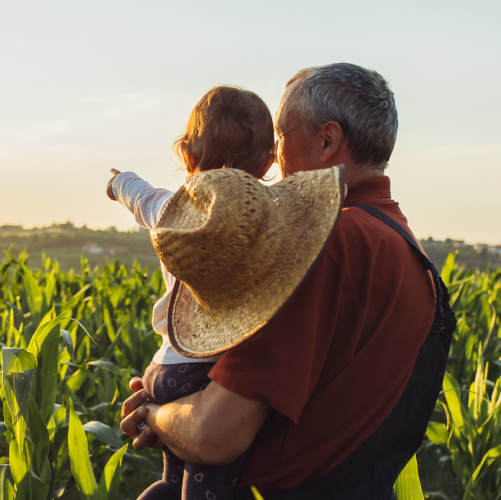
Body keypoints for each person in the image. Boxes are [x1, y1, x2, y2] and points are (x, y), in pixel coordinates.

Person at [119, 63, 456, 499]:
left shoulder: (324, 246)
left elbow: (215, 435)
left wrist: (155, 412)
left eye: (280, 136)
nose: (273, 158)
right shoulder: (408, 250)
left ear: (328, 141)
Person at [107, 85, 275, 500]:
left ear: (187, 155)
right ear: (271, 161)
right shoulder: (267, 226)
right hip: (207, 374)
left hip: (165, 368)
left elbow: (138, 194)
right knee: (205, 488)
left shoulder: (169, 210)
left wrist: (118, 182)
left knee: (171, 481)